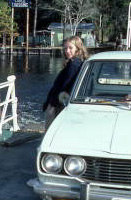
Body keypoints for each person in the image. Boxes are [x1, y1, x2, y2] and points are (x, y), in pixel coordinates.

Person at [43, 35, 87, 130]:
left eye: (70, 48)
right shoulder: (79, 62)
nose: (67, 51)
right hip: (59, 103)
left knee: (50, 132)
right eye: (65, 48)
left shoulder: (73, 65)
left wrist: (51, 104)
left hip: (58, 105)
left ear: (77, 49)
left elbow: (64, 87)